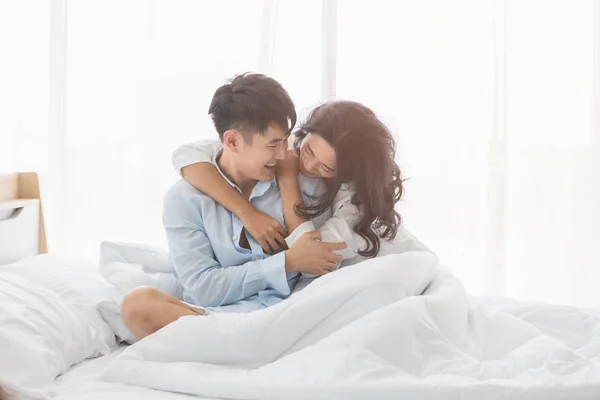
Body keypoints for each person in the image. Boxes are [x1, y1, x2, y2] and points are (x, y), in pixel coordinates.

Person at [121, 73, 347, 340]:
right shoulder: (185, 199)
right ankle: (242, 345)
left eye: (286, 140)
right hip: (212, 320)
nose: (283, 153)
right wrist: (286, 262)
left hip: (287, 315)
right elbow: (203, 287)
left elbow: (318, 268)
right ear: (231, 142)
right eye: (273, 144)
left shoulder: (298, 183)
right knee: (138, 306)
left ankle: (245, 347)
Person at [172, 100, 417, 272]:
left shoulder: (354, 205)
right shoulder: (287, 149)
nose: (308, 165)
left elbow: (311, 258)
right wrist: (246, 212)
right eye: (308, 149)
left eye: (327, 168)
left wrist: (289, 181)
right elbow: (187, 155)